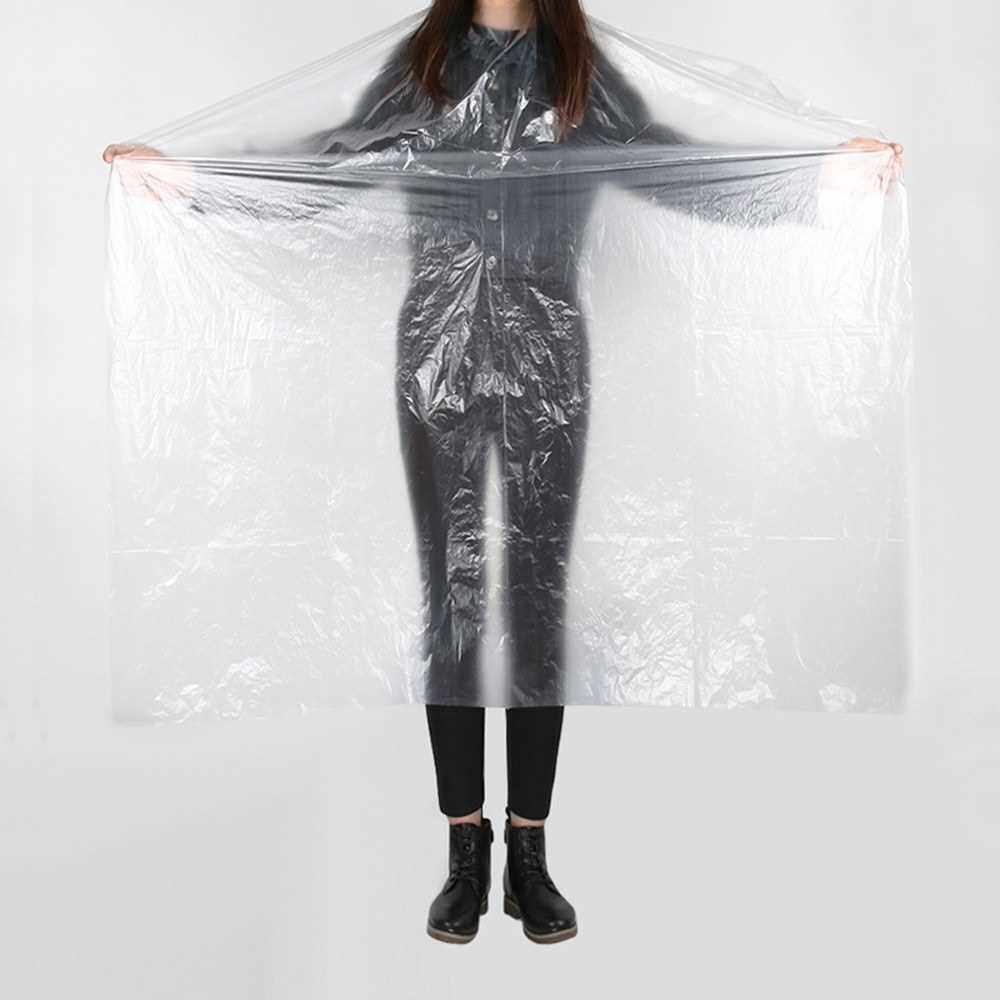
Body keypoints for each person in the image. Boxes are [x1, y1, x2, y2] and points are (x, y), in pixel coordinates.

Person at [104, 0, 903, 947]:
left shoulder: (578, 72)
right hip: (436, 360)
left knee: (536, 599)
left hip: (548, 360)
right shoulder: (425, 66)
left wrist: (820, 178)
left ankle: (530, 853)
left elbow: (673, 166)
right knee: (451, 595)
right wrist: (191, 184)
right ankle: (463, 848)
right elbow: (330, 167)